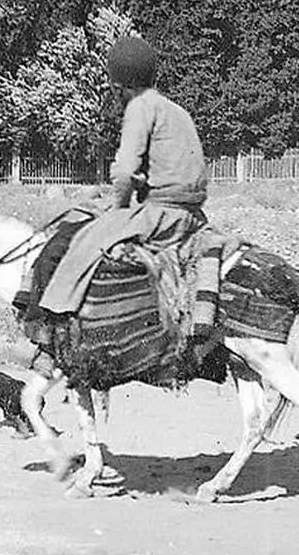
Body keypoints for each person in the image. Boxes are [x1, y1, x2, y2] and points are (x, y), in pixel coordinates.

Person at [38, 35, 222, 351]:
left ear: (118, 85)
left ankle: (54, 322)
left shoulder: (139, 107)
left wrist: (118, 206)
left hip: (160, 215)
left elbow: (124, 173)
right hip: (193, 216)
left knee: (85, 240)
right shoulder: (176, 110)